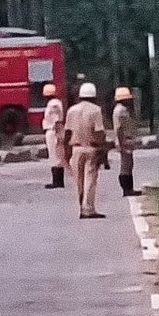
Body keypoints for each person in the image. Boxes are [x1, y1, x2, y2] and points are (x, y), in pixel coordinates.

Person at [63, 81, 107, 219]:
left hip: (76, 148)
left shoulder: (72, 110)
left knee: (79, 180)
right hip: (91, 148)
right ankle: (88, 208)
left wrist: (66, 151)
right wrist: (103, 148)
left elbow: (67, 133)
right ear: (93, 96)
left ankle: (81, 205)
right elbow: (99, 131)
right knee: (90, 179)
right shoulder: (96, 110)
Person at [112, 86, 140, 197]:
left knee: (129, 164)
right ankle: (127, 188)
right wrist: (119, 142)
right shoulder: (120, 111)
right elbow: (118, 128)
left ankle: (129, 188)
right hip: (124, 140)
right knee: (126, 165)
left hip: (126, 139)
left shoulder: (122, 109)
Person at [41, 83, 66, 189]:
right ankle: (57, 181)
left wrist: (58, 134)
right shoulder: (54, 103)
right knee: (55, 156)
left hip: (53, 131)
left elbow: (56, 120)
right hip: (52, 131)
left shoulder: (53, 104)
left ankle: (58, 181)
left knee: (55, 156)